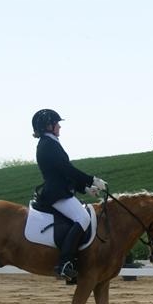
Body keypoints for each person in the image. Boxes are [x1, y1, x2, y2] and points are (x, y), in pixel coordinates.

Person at [31, 109, 106, 284]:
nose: (59, 127)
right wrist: (91, 180)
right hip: (56, 193)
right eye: (57, 124)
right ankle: (65, 263)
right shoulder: (48, 144)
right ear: (48, 126)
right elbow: (66, 169)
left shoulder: (49, 142)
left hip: (61, 190)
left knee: (80, 217)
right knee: (83, 218)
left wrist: (85, 188)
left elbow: (63, 173)